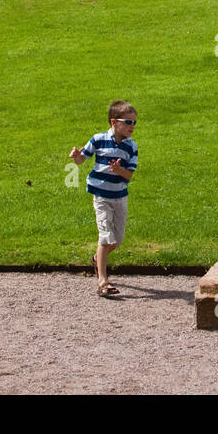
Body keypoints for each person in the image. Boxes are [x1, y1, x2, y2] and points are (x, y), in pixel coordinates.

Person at [69, 100, 139, 298]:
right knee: (106, 236)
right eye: (127, 122)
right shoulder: (98, 139)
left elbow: (129, 175)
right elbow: (82, 159)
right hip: (101, 196)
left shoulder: (131, 147)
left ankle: (96, 259)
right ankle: (103, 282)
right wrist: (75, 156)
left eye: (134, 123)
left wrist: (119, 170)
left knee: (117, 241)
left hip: (120, 196)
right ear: (113, 122)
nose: (131, 126)